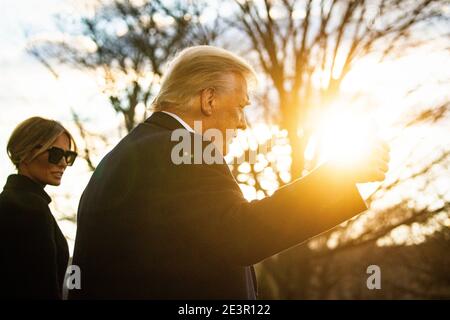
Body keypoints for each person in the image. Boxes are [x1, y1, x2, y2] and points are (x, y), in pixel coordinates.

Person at [70, 45, 389, 299]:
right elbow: (241, 236)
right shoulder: (182, 147)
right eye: (241, 106)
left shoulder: (123, 156)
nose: (243, 122)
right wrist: (338, 177)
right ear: (208, 99)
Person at [0, 117, 78, 299]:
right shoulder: (29, 209)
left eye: (69, 156)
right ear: (25, 152)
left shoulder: (11, 202)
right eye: (56, 154)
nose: (63, 163)